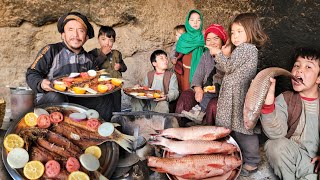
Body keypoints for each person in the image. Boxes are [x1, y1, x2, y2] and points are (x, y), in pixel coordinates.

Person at [206, 13, 268, 176]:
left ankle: (252, 161)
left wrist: (217, 52)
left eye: (240, 31)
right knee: (233, 127)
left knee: (244, 129)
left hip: (239, 96)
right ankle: (235, 156)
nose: (235, 36)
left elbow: (228, 67)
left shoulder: (247, 49)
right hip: (232, 95)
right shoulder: (241, 50)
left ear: (251, 31)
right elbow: (228, 70)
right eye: (232, 32)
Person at [26, 12, 114, 121]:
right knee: (57, 96)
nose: (76, 35)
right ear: (63, 34)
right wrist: (41, 83)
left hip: (78, 100)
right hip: (52, 99)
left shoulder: (89, 59)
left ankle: (103, 133)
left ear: (86, 37)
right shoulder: (51, 50)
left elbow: (93, 82)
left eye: (80, 31)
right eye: (70, 30)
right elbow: (31, 73)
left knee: (105, 98)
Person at [261, 47, 320, 180]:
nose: (299, 70)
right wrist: (268, 104)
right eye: (296, 65)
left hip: (315, 164)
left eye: (308, 67)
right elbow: (276, 134)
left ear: (319, 79)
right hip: (295, 159)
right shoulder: (286, 98)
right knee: (273, 145)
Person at [175, 24, 228, 126]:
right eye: (208, 39)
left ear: (222, 40)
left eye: (216, 38)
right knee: (186, 95)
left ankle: (204, 125)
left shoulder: (228, 55)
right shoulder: (205, 55)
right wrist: (198, 88)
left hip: (220, 92)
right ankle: (180, 128)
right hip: (206, 89)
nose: (212, 42)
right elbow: (198, 74)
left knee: (213, 103)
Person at [89, 26, 127, 112]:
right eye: (103, 39)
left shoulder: (117, 53)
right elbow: (91, 68)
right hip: (102, 87)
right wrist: (103, 54)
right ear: (98, 39)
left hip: (116, 86)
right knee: (105, 107)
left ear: (114, 41)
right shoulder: (94, 53)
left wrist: (120, 66)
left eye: (111, 40)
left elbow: (125, 68)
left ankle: (117, 122)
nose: (107, 43)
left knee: (117, 106)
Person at [175, 9, 205, 91]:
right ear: (188, 22)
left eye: (198, 20)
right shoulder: (183, 38)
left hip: (201, 73)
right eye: (192, 20)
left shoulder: (205, 38)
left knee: (200, 96)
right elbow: (177, 54)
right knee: (186, 95)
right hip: (185, 73)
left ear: (201, 22)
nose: (195, 23)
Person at [170, 25, 186, 90]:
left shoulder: (189, 44)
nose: (179, 38)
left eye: (181, 35)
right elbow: (172, 53)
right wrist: (173, 58)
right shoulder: (176, 44)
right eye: (177, 35)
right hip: (178, 64)